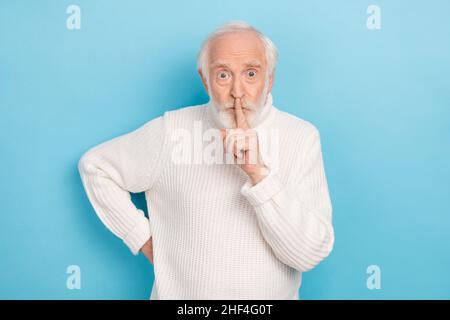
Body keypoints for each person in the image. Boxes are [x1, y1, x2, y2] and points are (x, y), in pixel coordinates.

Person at [78, 21, 334, 300]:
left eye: (251, 73)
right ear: (205, 80)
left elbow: (309, 255)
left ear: (270, 79)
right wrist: (142, 238)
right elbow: (96, 167)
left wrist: (259, 174)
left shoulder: (301, 137)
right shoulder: (172, 131)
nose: (237, 91)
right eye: (223, 75)